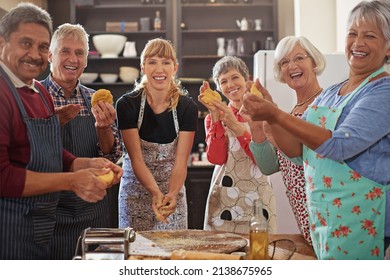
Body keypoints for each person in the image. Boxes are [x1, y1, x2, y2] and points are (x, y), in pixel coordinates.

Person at [241, 0, 390, 260]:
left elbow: (339, 146)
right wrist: (271, 114)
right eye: (352, 34)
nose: (358, 43)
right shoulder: (332, 94)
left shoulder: (383, 91)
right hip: (325, 220)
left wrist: (274, 114)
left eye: (370, 36)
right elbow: (297, 152)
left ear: (388, 46)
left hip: (364, 221)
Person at [0, 3, 122, 260]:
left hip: (51, 222)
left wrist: (85, 162)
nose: (35, 54)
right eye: (25, 43)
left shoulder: (37, 92)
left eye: (41, 46)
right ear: (3, 44)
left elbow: (52, 152)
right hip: (17, 225)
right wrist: (72, 180)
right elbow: (4, 175)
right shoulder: (5, 93)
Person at [40, 23, 122, 260]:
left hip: (92, 211)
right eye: (65, 51)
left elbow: (109, 157)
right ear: (50, 55)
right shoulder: (35, 98)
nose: (72, 59)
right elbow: (27, 154)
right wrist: (51, 124)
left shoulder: (94, 99)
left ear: (86, 60)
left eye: (79, 53)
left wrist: (103, 129)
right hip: (50, 212)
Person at [248, 36, 326, 244]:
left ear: (314, 62)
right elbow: (269, 166)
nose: (292, 66)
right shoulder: (292, 112)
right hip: (303, 214)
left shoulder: (325, 104)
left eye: (299, 58)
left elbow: (311, 159)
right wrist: (257, 128)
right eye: (284, 62)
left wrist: (273, 117)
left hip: (326, 209)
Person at [116, 38, 198, 231]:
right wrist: (154, 192)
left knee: (174, 254)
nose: (159, 69)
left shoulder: (187, 107)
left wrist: (172, 193)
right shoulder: (127, 105)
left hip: (172, 193)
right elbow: (136, 159)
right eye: (152, 62)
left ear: (175, 68)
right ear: (143, 67)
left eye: (166, 62)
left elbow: (180, 162)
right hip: (134, 192)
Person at [198, 56, 277, 234]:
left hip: (258, 197)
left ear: (246, 78)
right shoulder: (213, 117)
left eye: (235, 77)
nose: (230, 84)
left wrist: (236, 126)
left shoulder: (262, 112)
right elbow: (216, 158)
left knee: (261, 253)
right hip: (225, 198)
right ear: (219, 88)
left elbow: (262, 160)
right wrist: (217, 119)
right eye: (223, 81)